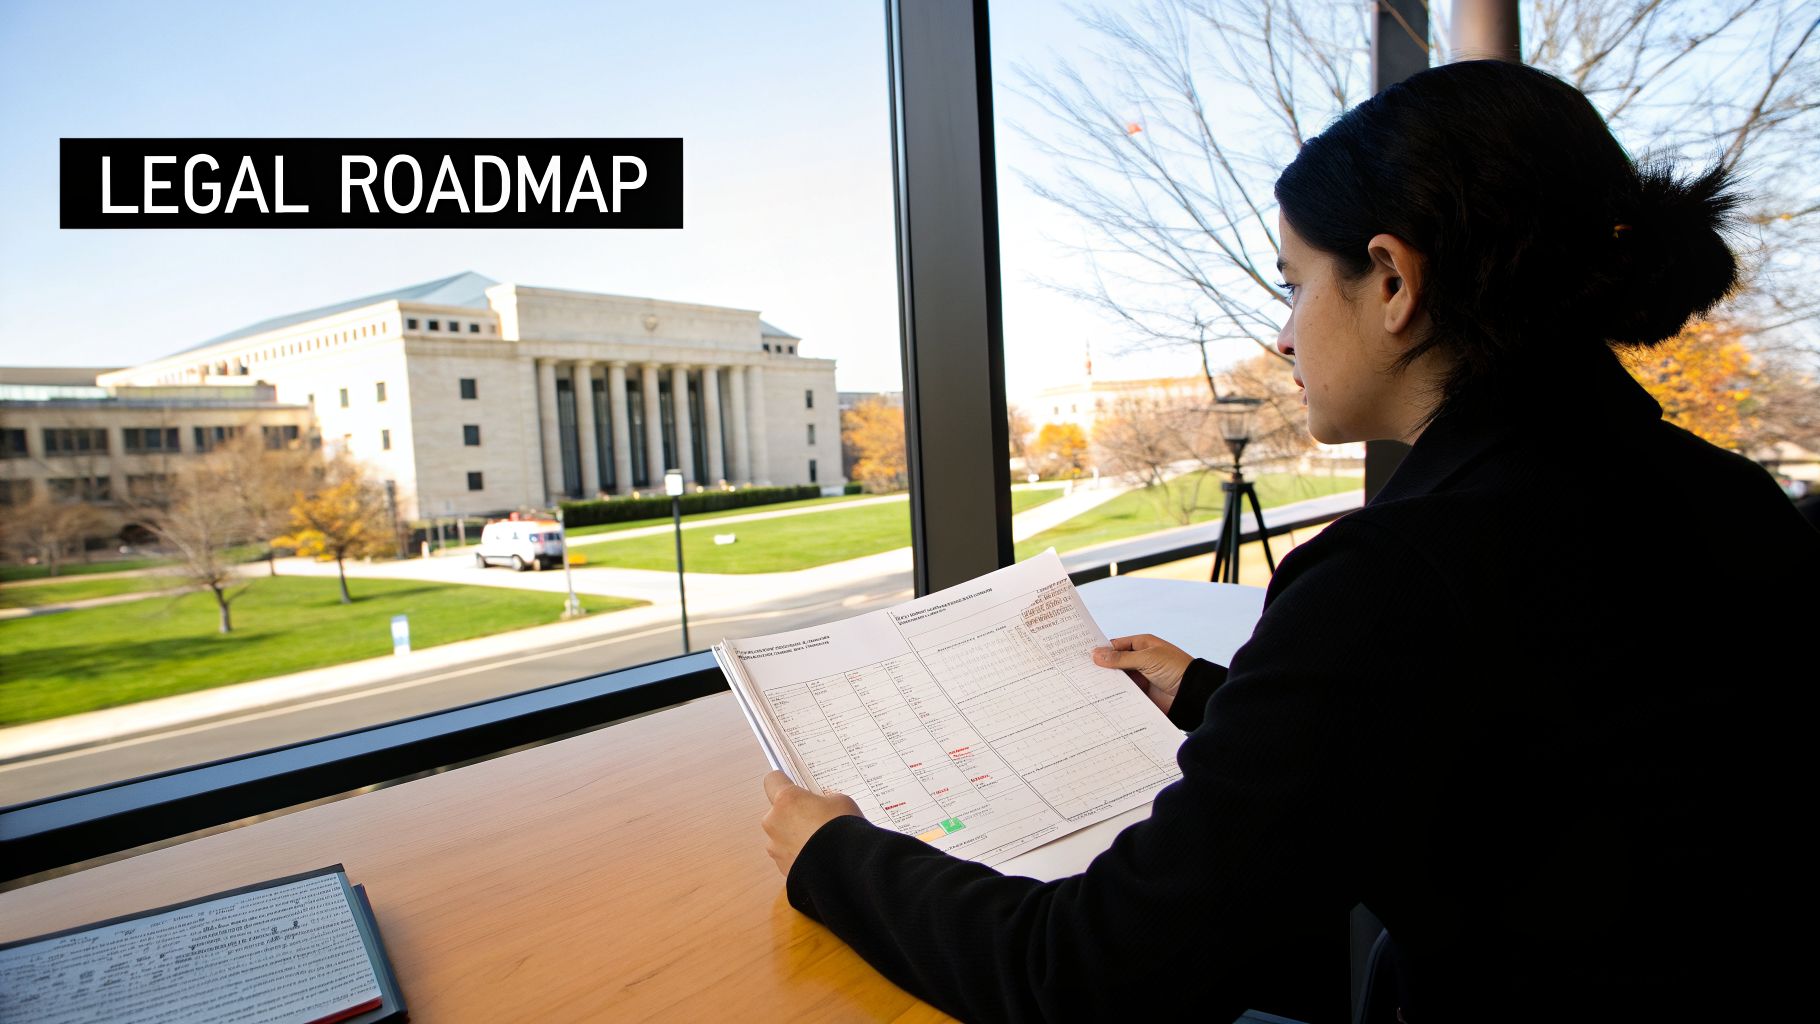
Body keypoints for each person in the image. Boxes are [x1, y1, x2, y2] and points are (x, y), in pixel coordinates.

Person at [759, 59, 1819, 1022]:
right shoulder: (1728, 495)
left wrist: (834, 855)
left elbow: (1086, 972)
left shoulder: (1402, 573)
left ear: (1393, 282)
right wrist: (1223, 698)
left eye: (1291, 282)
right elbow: (1525, 744)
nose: (1279, 333)